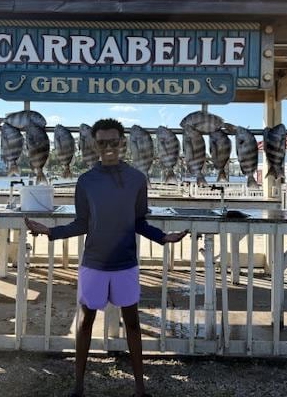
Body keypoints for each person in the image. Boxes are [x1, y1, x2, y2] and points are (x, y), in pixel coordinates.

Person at [25, 118, 188, 397]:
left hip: (125, 264)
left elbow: (139, 222)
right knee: (85, 322)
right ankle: (78, 387)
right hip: (94, 264)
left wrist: (163, 238)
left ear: (123, 142)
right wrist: (50, 232)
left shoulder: (137, 179)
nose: (109, 147)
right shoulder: (86, 181)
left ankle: (140, 390)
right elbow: (82, 224)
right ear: (94, 145)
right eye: (102, 143)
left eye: (114, 141)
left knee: (133, 324)